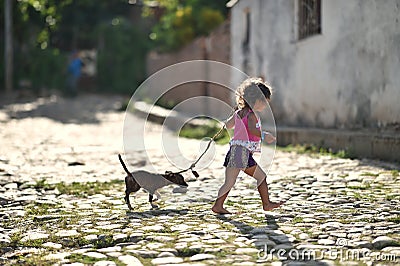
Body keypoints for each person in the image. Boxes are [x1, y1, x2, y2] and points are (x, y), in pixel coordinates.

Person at [211, 77, 284, 214]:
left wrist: (234, 116)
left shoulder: (239, 113)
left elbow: (228, 125)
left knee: (229, 182)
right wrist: (263, 135)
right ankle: (266, 204)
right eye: (264, 102)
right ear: (256, 100)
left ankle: (218, 205)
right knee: (261, 177)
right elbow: (251, 129)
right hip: (242, 153)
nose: (265, 105)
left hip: (234, 151)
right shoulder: (251, 115)